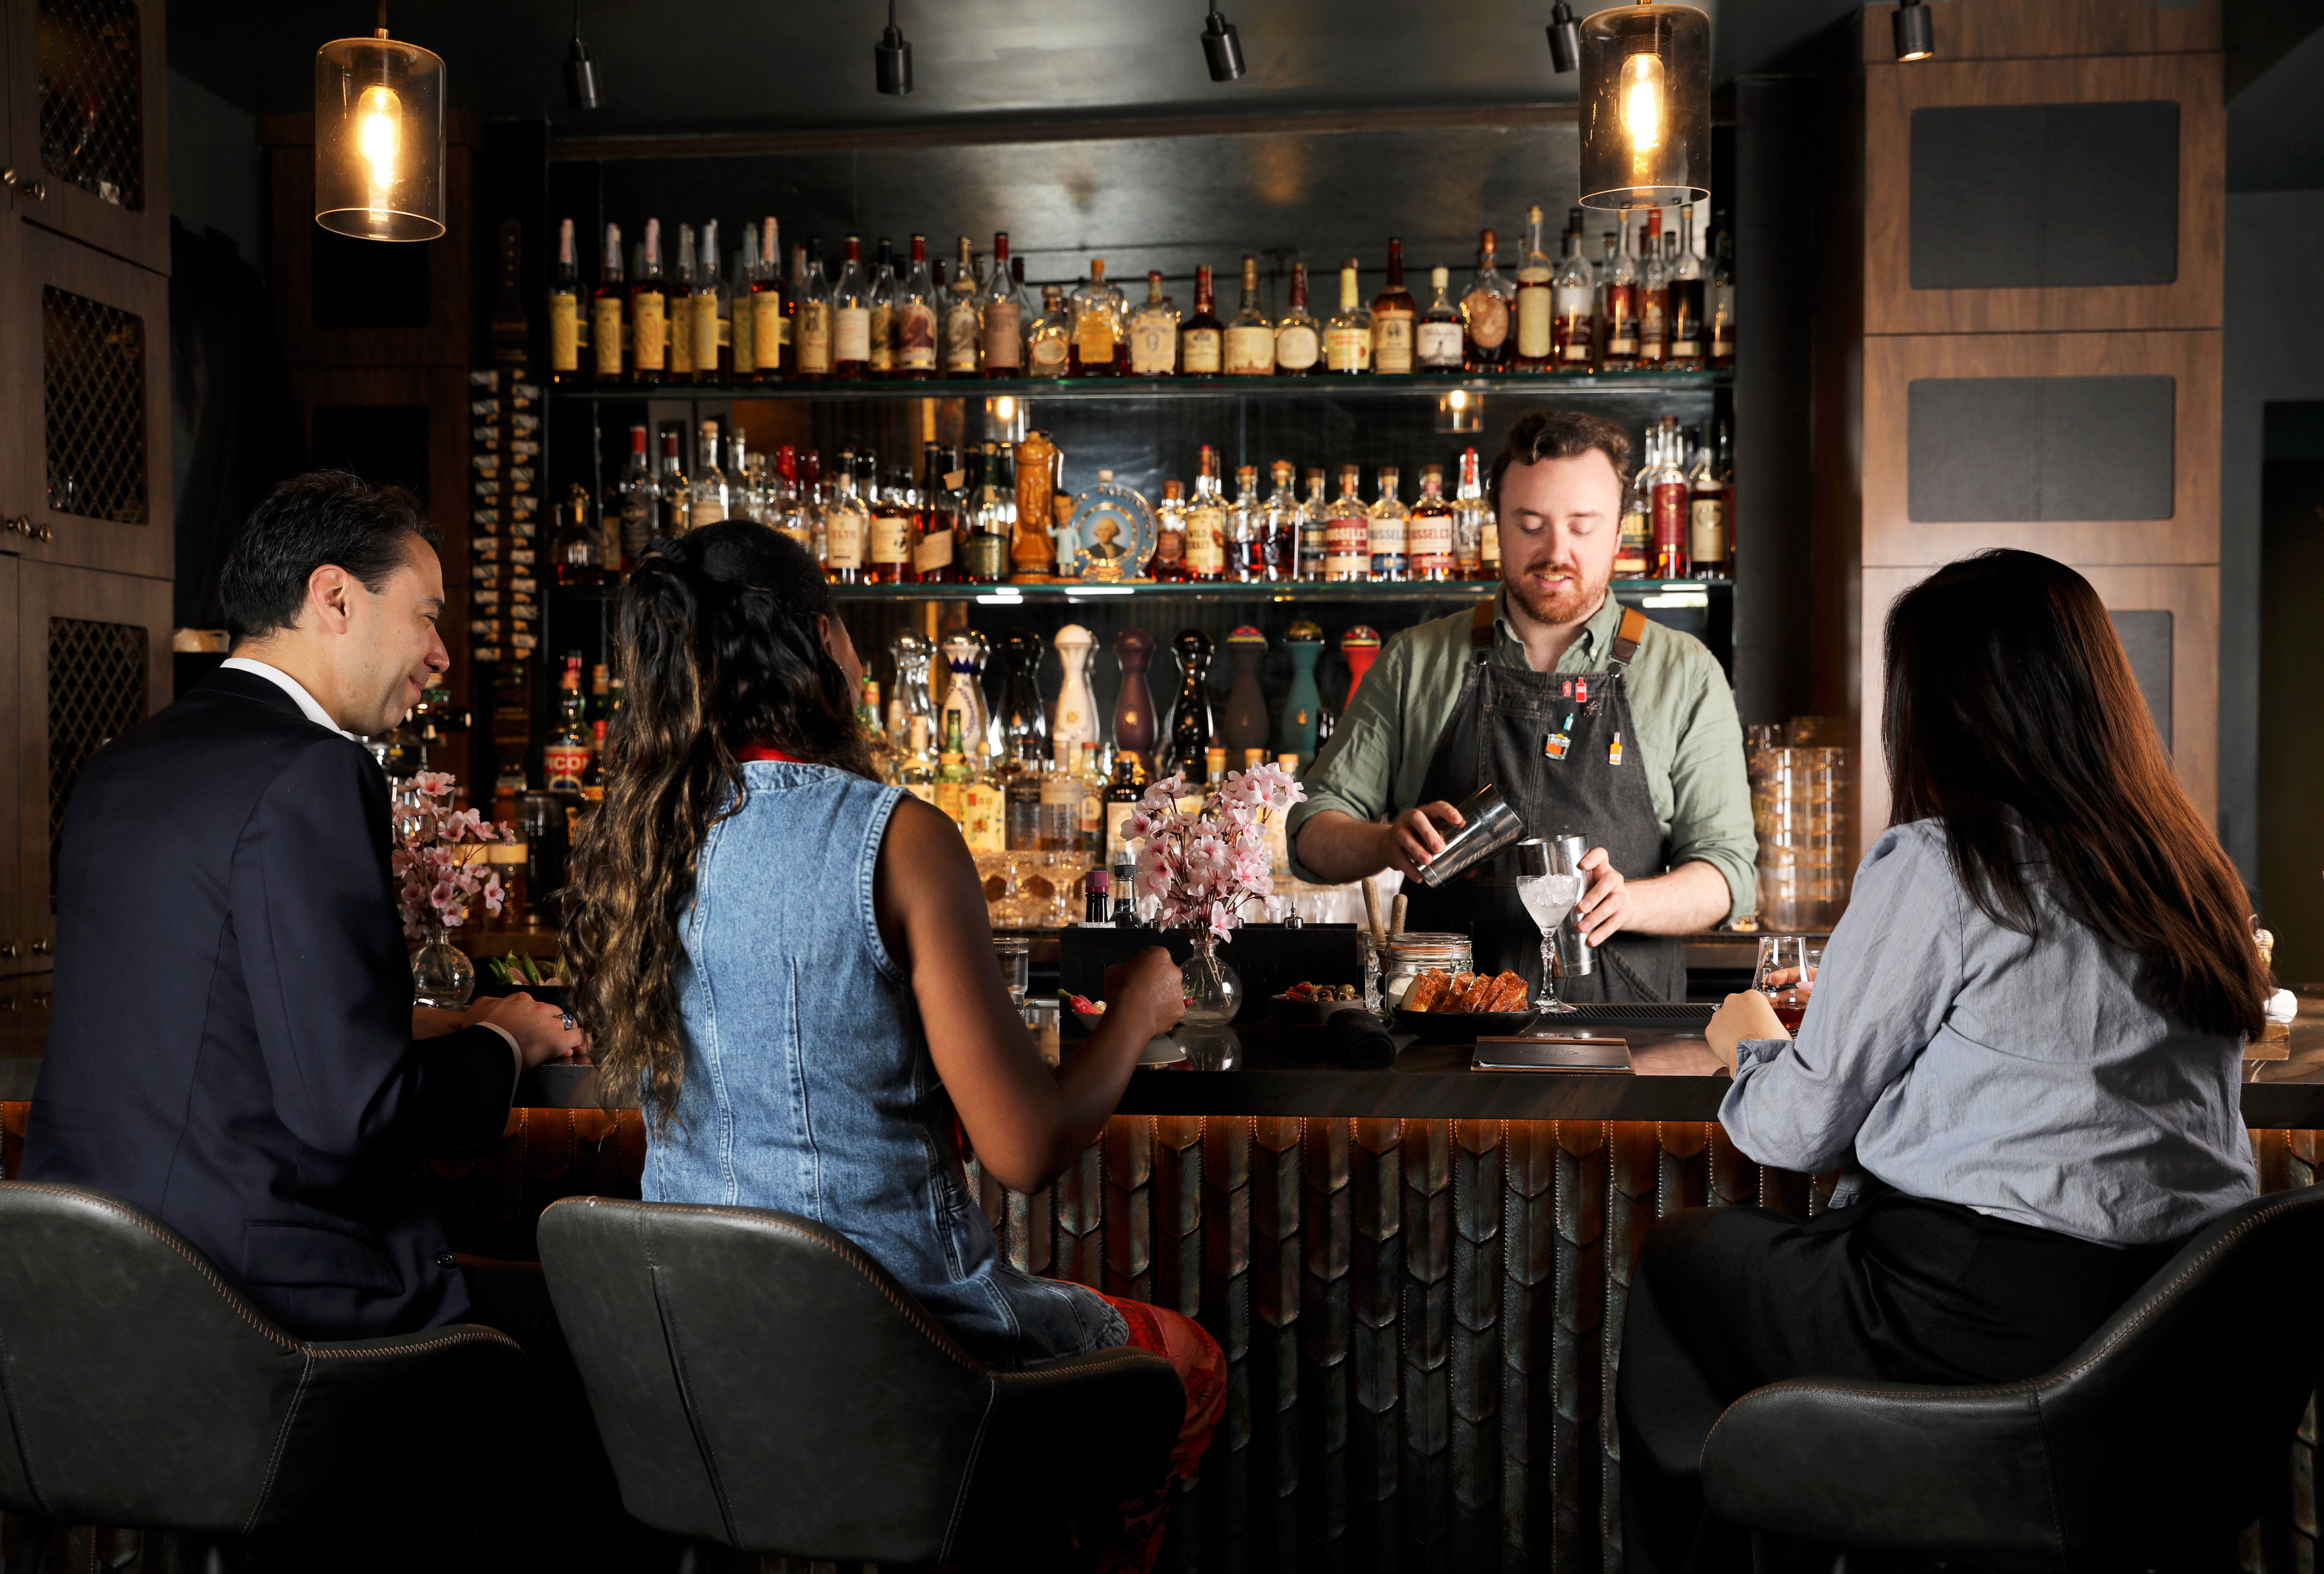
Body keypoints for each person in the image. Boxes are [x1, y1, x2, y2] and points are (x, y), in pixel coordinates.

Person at [562, 522, 1222, 1571]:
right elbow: (1027, 1148)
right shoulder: (894, 836)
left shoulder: (633, 840)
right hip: (904, 1350)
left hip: (698, 1357)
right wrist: (1138, 1013)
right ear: (824, 644)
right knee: (1184, 1364)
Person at [1619, 549, 2269, 1573]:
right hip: (2181, 1336)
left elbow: (1798, 1129)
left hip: (1971, 1324)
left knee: (1681, 1262)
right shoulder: (2191, 874)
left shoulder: (1951, 863)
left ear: (1945, 709)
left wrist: (1748, 1042)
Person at [25, 471, 583, 1342]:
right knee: (619, 1353)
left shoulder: (120, 765)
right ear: (335, 597)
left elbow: (214, 1010)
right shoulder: (314, 770)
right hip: (264, 1309)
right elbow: (356, 1112)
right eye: (429, 615)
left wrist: (428, 1022)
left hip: (89, 1300)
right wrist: (507, 1040)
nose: (442, 655)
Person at [1286, 408, 1754, 1002]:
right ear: (1498, 527)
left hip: (1627, 1037)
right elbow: (1310, 833)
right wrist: (1383, 842)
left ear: (1618, 534)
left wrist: (1631, 901)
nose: (1556, 551)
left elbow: (1727, 872)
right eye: (1531, 524)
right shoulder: (1415, 661)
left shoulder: (1684, 673)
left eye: (1583, 527)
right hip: (1444, 1031)